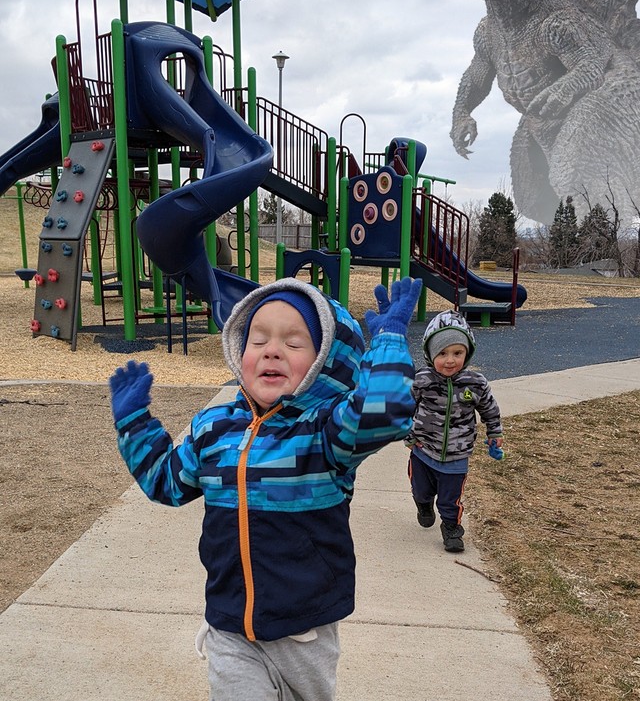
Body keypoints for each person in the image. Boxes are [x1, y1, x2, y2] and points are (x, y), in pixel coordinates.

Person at [109, 275, 422, 701]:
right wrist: (134, 425)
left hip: (304, 631)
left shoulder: (327, 434)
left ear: (325, 363)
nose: (272, 349)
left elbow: (384, 411)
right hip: (229, 623)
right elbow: (167, 482)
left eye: (294, 343)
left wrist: (387, 341)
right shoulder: (214, 427)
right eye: (258, 339)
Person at [406, 309, 503, 553]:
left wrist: (494, 433)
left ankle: (451, 528)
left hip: (457, 455)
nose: (450, 360)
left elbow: (489, 409)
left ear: (467, 353)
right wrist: (408, 435)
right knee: (421, 489)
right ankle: (423, 504)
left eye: (457, 353)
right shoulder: (422, 380)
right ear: (430, 354)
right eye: (442, 353)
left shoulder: (475, 383)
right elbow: (404, 408)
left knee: (451, 499)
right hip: (423, 451)